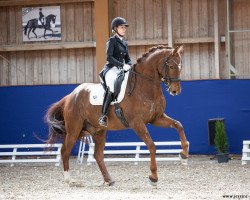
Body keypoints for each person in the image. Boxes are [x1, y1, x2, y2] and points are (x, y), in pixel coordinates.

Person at [98, 17, 132, 127]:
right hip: (111, 69)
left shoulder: (125, 43)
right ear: (115, 29)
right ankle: (103, 116)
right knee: (112, 86)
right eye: (121, 27)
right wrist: (122, 65)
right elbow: (109, 57)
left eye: (124, 28)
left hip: (122, 69)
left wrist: (130, 65)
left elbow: (128, 58)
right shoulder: (112, 41)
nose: (124, 29)